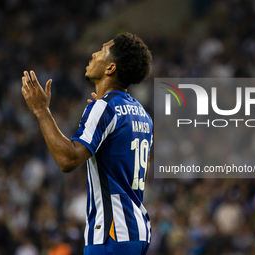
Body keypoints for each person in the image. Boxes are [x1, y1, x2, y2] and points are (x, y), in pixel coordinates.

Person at [21, 32, 153, 255]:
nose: (93, 54)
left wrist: (41, 110)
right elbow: (139, 172)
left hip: (111, 235)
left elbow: (68, 159)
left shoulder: (104, 107)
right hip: (137, 231)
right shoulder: (142, 114)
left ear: (110, 68)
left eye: (101, 51)